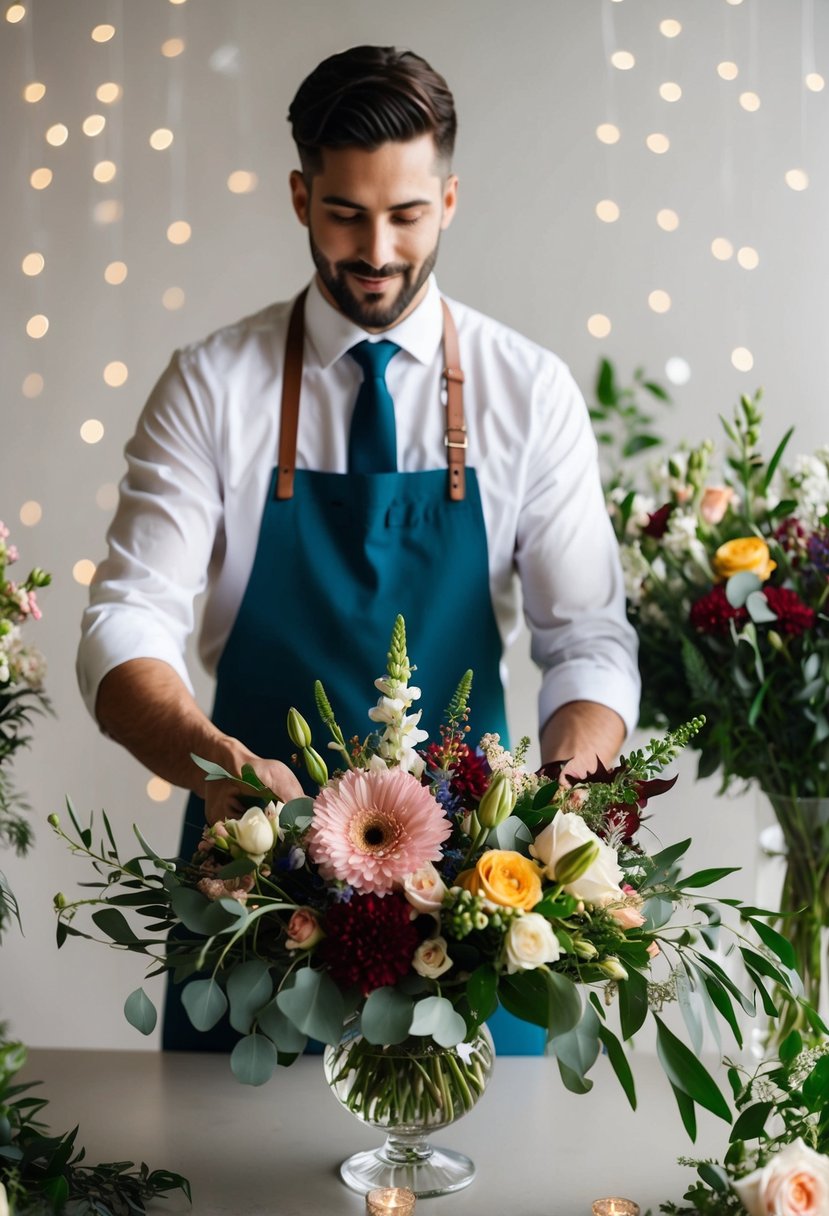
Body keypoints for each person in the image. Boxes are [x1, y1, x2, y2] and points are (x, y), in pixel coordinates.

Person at [77, 45, 640, 1053]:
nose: (375, 249)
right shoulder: (211, 386)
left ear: (450, 199)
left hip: (473, 894)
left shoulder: (528, 391)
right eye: (344, 213)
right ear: (300, 195)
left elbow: (587, 636)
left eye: (406, 214)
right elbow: (124, 625)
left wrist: (560, 798)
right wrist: (219, 771)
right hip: (258, 882)